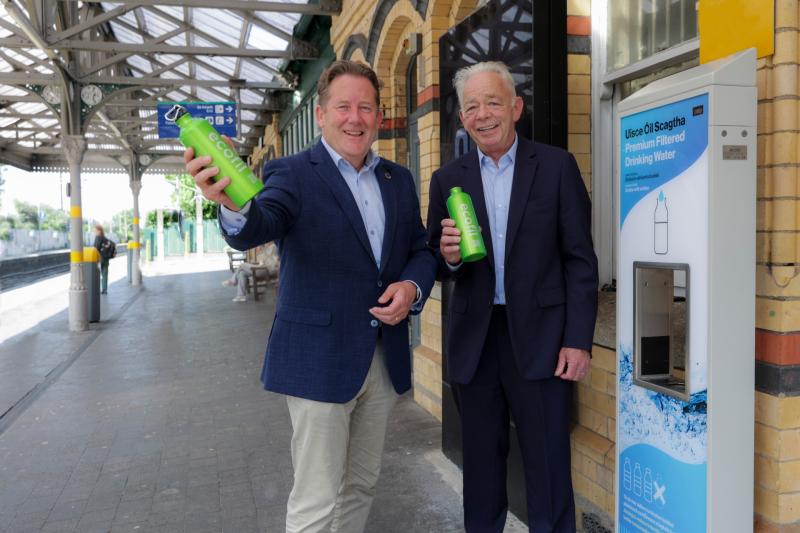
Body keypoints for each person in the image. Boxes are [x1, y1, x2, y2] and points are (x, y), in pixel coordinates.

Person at [185, 60, 437, 533]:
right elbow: (262, 221)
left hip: (382, 359)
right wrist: (233, 204)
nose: (354, 118)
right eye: (343, 106)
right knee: (317, 497)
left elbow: (420, 251)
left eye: (365, 108)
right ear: (321, 115)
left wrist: (411, 286)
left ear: (380, 117)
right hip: (318, 360)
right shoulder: (293, 173)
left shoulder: (398, 180)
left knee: (361, 484)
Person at [427, 61, 598, 532]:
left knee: (547, 466)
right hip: (475, 343)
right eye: (472, 107)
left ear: (516, 107)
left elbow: (580, 260)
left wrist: (578, 340)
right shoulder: (447, 179)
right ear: (462, 118)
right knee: (480, 469)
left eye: (493, 102)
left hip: (543, 340)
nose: (483, 114)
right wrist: (451, 257)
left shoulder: (557, 166)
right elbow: (439, 263)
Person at [93, 224, 114, 294]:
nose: (94, 232)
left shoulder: (98, 237)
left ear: (99, 231)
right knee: (105, 275)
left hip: (100, 259)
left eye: (95, 230)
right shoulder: (105, 238)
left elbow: (95, 248)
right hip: (106, 259)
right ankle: (104, 290)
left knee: (96, 274)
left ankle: (96, 289)